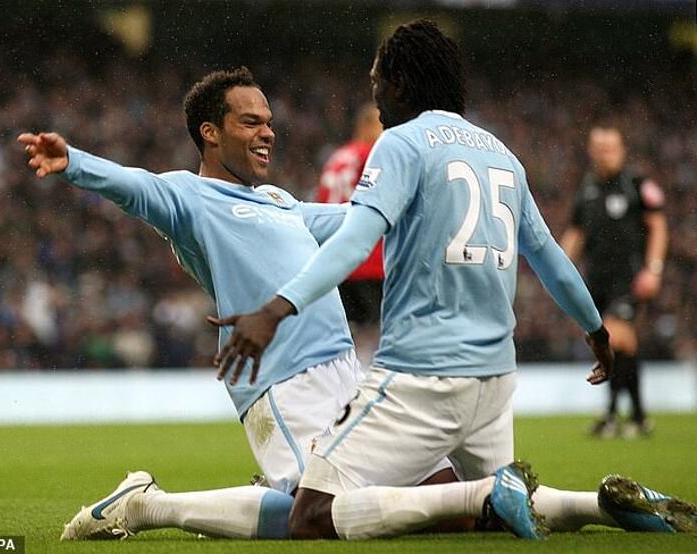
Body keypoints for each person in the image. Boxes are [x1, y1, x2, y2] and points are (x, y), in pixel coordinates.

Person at [211, 20, 696, 539]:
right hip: (494, 382)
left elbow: (354, 241)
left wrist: (275, 309)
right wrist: (595, 330)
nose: (374, 98)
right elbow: (551, 259)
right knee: (492, 515)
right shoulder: (501, 154)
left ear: (400, 82)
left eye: (377, 82)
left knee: (309, 515)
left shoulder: (400, 144)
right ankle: (598, 505)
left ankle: (482, 493)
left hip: (421, 377)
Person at [18, 67, 478, 542]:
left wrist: (419, 205)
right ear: (210, 132)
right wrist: (73, 162)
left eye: (269, 122)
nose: (268, 133)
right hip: (286, 381)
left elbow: (353, 220)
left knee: (448, 500)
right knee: (312, 517)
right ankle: (146, 505)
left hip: (347, 371)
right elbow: (134, 186)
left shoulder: (278, 200)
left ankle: (259, 497)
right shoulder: (190, 197)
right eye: (251, 122)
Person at [561, 125, 668, 439]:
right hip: (596, 281)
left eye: (609, 148)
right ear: (590, 150)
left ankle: (610, 415)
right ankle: (638, 416)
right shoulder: (587, 188)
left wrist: (654, 269)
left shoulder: (637, 184)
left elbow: (658, 226)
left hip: (629, 279)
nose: (604, 154)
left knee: (613, 335)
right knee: (624, 344)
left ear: (622, 150)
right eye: (598, 148)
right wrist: (558, 267)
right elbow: (576, 232)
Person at [316, 104, 384, 339]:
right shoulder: (372, 155)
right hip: (370, 260)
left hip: (337, 260)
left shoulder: (337, 157)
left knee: (348, 333)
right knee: (376, 335)